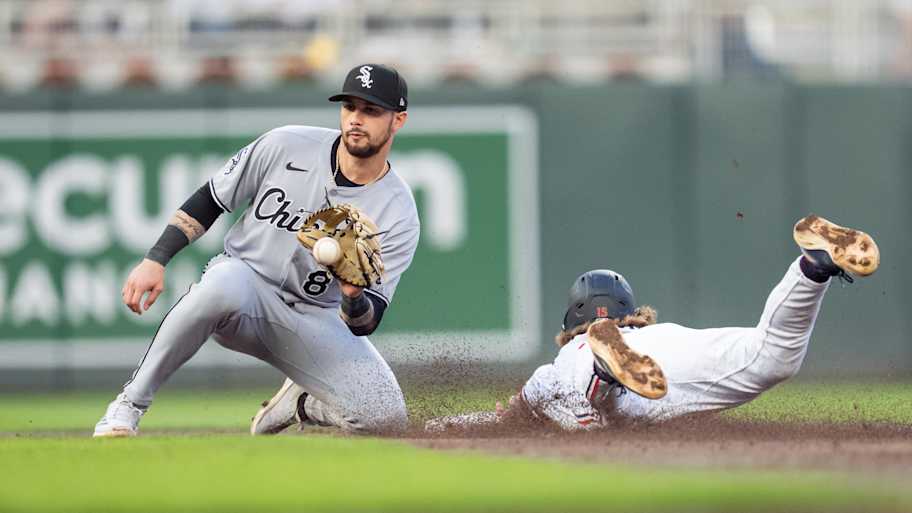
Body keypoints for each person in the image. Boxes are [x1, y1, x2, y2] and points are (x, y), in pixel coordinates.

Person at [94, 63, 419, 437]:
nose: (356, 119)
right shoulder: (286, 144)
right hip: (245, 286)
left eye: (372, 111)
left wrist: (352, 295)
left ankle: (297, 404)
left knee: (387, 419)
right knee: (218, 287)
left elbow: (367, 321)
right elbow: (211, 198)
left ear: (398, 121)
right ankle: (128, 405)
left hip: (314, 316)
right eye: (350, 107)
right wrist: (156, 258)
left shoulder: (398, 210)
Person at [425, 215, 880, 432]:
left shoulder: (573, 346)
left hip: (604, 363)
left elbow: (512, 415)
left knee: (565, 401)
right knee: (771, 356)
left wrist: (448, 426)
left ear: (577, 318)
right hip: (670, 355)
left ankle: (604, 375)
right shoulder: (660, 332)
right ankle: (812, 268)